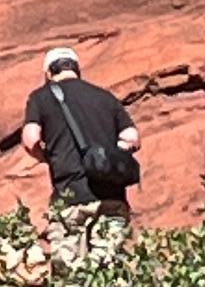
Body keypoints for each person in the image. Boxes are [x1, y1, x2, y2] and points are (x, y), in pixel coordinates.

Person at [19, 44, 138, 246]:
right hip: (112, 197)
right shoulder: (105, 97)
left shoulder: (41, 97)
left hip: (70, 198)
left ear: (49, 73)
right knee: (110, 270)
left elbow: (30, 139)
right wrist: (108, 153)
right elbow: (132, 137)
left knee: (72, 273)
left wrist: (46, 157)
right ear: (76, 69)